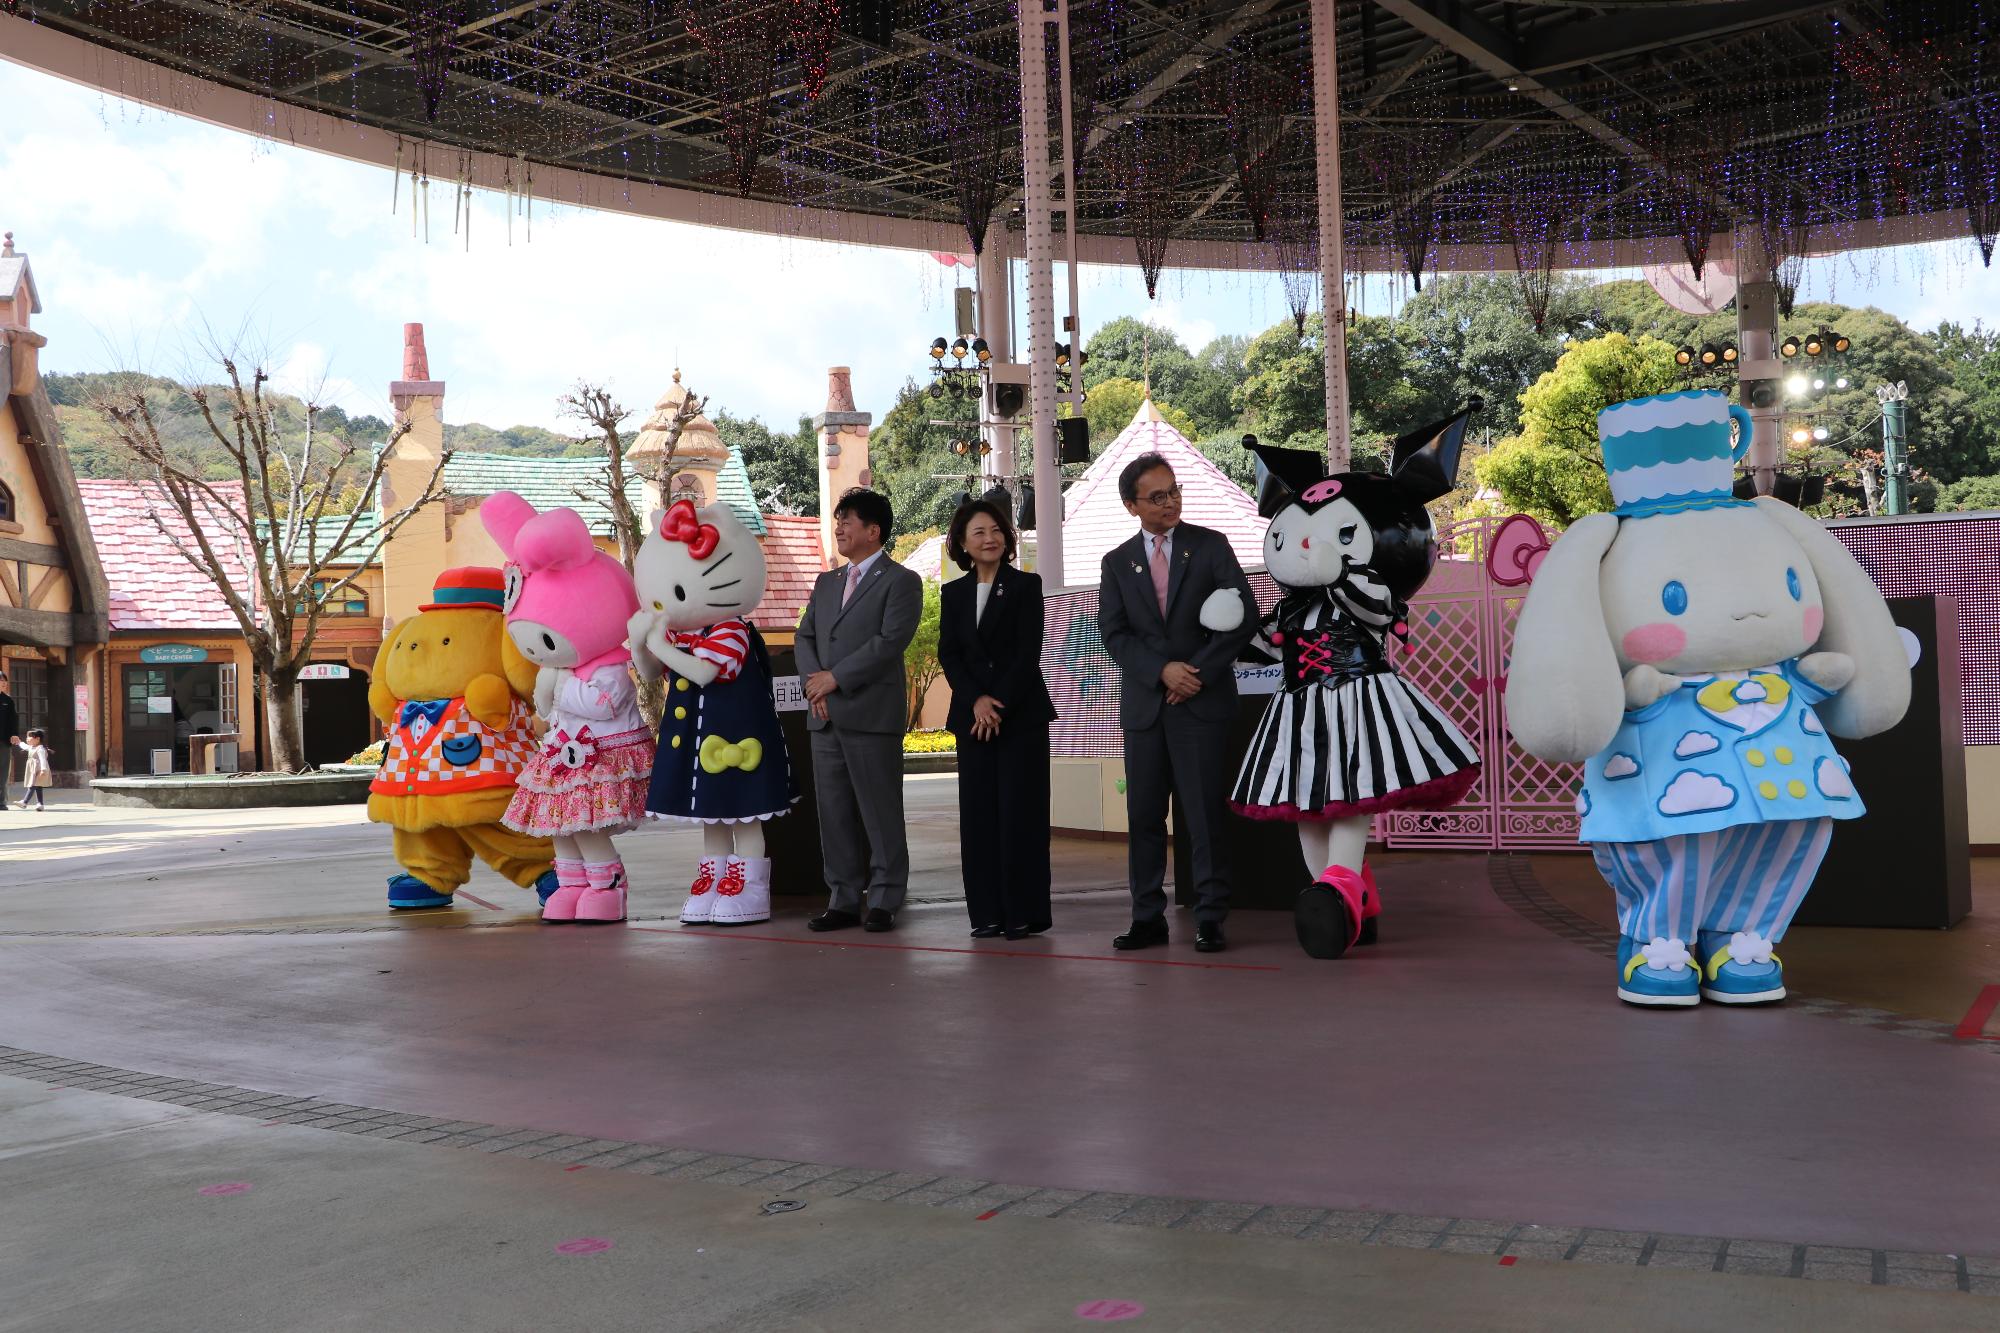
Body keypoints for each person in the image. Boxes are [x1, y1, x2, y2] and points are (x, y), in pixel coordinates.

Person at [1097, 453, 1259, 953]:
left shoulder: (1210, 546)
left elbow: (1244, 614)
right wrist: (1161, 671)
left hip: (1201, 705)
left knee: (1204, 814)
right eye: (1157, 496)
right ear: (1132, 505)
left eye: (1174, 491)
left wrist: (1196, 674)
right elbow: (1114, 634)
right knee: (1144, 816)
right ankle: (1146, 916)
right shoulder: (1116, 562)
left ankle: (1210, 916)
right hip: (1146, 709)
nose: (1170, 502)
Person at [795, 488, 924, 933]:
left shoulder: (901, 581)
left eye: (848, 521)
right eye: (838, 521)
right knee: (833, 814)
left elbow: (889, 642)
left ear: (874, 530)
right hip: (824, 716)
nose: (839, 528)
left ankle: (886, 898)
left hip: (870, 716)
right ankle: (843, 899)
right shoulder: (826, 582)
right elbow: (805, 637)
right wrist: (815, 684)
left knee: (879, 812)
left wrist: (835, 678)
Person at [938, 498, 1057, 939]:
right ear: (962, 543)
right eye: (979, 533)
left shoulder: (1026, 585)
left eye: (996, 531)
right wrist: (976, 701)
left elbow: (1027, 654)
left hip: (1020, 716)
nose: (990, 539)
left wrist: (996, 703)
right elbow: (949, 654)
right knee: (979, 817)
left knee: (1021, 814)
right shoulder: (953, 593)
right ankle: (986, 914)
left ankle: (1023, 913)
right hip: (972, 720)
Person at [14, 728, 52, 811]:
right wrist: (19, 742)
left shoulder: (40, 749)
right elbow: (25, 746)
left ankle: (24, 802)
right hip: (33, 770)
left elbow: (43, 759)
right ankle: (40, 804)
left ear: (37, 739)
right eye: (27, 737)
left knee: (32, 785)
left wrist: (43, 770)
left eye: (29, 737)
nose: (27, 739)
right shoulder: (31, 747)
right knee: (38, 786)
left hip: (39, 770)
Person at [0, 667, 18, 807]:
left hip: (4, 742)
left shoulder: (8, 700)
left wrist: (14, 734)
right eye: (1, 681)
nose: (4, 683)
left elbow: (14, 720)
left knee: (4, 772)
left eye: (5, 681)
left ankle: (2, 801)